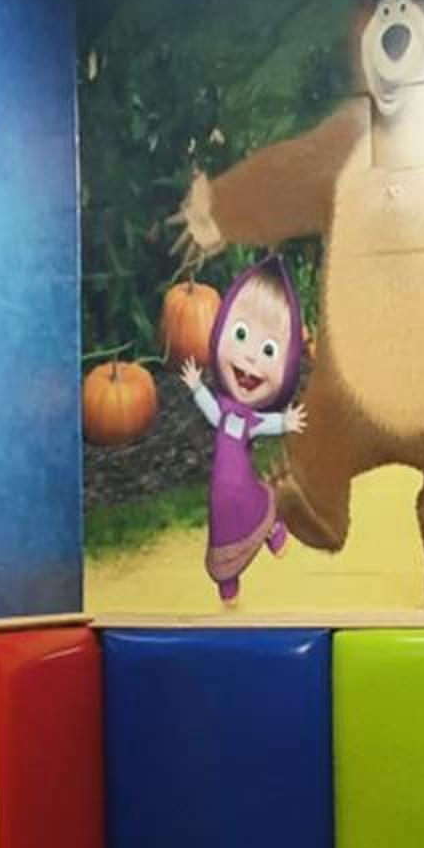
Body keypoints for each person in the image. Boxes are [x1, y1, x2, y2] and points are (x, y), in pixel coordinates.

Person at [176, 256, 309, 606]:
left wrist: (286, 422)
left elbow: (266, 423)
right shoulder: (224, 413)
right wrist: (196, 388)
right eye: (240, 335)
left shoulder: (249, 420)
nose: (250, 357)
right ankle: (227, 577)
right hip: (221, 495)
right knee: (223, 526)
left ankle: (272, 529)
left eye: (268, 350)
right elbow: (210, 411)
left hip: (243, 490)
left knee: (255, 508)